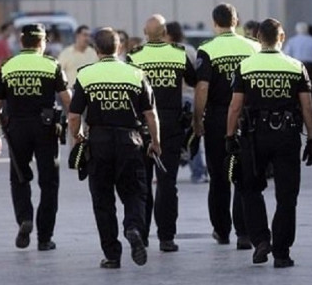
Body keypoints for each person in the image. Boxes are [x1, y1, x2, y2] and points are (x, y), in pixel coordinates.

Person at [226, 18, 312, 267]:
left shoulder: (245, 66)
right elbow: (307, 107)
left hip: (253, 136)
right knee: (287, 197)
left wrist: (229, 137)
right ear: (282, 37)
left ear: (257, 38)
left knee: (249, 190)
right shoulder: (296, 66)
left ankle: (261, 240)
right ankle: (282, 253)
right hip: (287, 136)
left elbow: (235, 107)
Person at [68, 27, 159, 269]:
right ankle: (133, 227)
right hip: (131, 141)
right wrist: (156, 143)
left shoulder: (86, 74)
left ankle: (112, 255)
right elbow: (150, 114)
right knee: (135, 192)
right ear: (119, 48)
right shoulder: (136, 73)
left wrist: (77, 138)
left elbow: (74, 115)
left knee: (103, 200)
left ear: (95, 50)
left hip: (99, 143)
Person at [0, 24, 72, 252]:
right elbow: (66, 99)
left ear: (21, 41)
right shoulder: (51, 65)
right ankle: (45, 238)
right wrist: (78, 127)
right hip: (45, 129)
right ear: (42, 42)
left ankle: (25, 218)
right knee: (49, 183)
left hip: (15, 129)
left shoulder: (8, 66)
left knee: (19, 178)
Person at [193, 3, 260, 249]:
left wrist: (197, 119)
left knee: (219, 177)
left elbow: (202, 87)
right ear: (236, 21)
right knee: (244, 175)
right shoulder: (254, 46)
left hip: (218, 117)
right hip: (248, 118)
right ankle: (244, 232)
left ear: (215, 23)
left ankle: (222, 231)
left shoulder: (207, 49)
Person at [128, 15, 196, 252]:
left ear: (145, 33)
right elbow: (194, 81)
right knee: (167, 182)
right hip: (171, 126)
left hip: (142, 128)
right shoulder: (178, 54)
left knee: (142, 182)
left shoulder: (134, 57)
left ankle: (142, 235)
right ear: (165, 31)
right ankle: (166, 238)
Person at [165, 20, 208, 183]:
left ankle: (167, 171)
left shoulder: (166, 52)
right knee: (192, 136)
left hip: (172, 100)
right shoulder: (190, 50)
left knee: (169, 137)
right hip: (191, 98)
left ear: (168, 35)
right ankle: (198, 172)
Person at [283, 21, 312, 89]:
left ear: (296, 30)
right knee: (309, 87)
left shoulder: (291, 41)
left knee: (296, 87)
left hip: (296, 66)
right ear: (307, 30)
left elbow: (286, 54)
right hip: (309, 66)